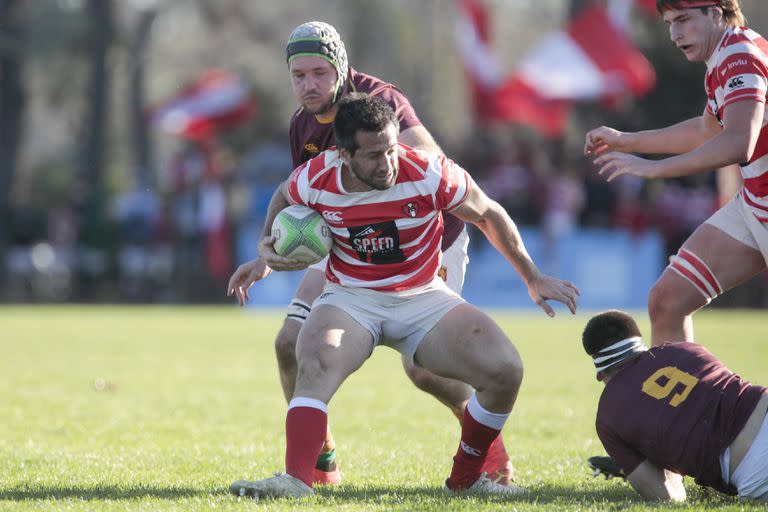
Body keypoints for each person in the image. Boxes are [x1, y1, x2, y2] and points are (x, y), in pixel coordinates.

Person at [228, 94, 579, 499]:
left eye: (391, 148)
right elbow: (283, 197)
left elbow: (486, 213)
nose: (388, 163)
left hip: (422, 296)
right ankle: (297, 481)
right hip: (350, 297)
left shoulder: (429, 171)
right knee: (313, 360)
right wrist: (264, 253)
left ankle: (467, 479)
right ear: (343, 154)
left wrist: (532, 278)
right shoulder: (316, 177)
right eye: (374, 155)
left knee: (506, 370)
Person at [228, 21, 515, 486]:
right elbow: (298, 199)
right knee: (289, 345)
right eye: (298, 76)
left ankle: (491, 458)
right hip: (350, 247)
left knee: (424, 371)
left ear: (340, 67)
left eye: (319, 73)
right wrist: (266, 255)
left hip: (425, 241)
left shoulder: (381, 101)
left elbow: (428, 162)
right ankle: (319, 468)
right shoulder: (302, 124)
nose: (308, 85)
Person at [584, 0, 768, 347]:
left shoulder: (739, 54)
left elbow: (738, 143)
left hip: (760, 204)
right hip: (756, 205)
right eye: (670, 23)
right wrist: (626, 141)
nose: (674, 33)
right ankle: (684, 402)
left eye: (683, 20)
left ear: (715, 13)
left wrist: (655, 169)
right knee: (668, 300)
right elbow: (706, 131)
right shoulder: (725, 53)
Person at [582, 310, 768, 502]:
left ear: (600, 376)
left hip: (755, 469)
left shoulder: (608, 417)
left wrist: (658, 465)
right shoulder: (687, 349)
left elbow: (669, 497)